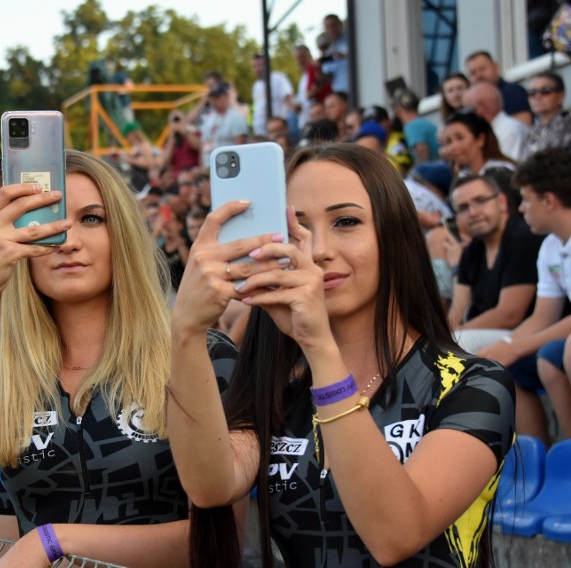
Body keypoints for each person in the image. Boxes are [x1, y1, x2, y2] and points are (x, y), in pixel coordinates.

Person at [168, 143, 515, 567]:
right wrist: (185, 332)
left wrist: (319, 348)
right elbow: (210, 486)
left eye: (346, 221)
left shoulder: (472, 383)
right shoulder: (279, 388)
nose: (318, 251)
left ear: (395, 236)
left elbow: (394, 535)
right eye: (296, 229)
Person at [0, 150, 236, 566]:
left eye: (91, 219)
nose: (67, 241)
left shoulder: (201, 355)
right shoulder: (2, 370)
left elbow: (216, 537)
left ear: (121, 232)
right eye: (47, 223)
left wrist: (53, 541)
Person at [478, 147, 571, 446]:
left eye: (527, 200)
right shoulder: (551, 248)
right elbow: (543, 316)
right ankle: (545, 458)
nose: (521, 209)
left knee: (559, 353)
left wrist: (519, 347)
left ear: (549, 200)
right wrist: (505, 347)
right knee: (515, 362)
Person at [447, 175, 543, 352]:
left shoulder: (523, 238)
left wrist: (452, 334)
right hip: (482, 333)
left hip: (521, 336)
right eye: (463, 208)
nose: (473, 212)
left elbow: (509, 315)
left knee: (458, 343)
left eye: (480, 201)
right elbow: (457, 310)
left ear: (501, 202)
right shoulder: (471, 251)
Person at [463, 82, 529, 161]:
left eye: (468, 110)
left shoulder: (509, 130)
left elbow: (507, 168)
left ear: (481, 107)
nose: (467, 116)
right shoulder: (498, 129)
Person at [464, 50, 532, 126]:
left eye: (482, 69)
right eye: (473, 73)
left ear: (495, 67)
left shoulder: (513, 92)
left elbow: (522, 127)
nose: (478, 75)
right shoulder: (470, 100)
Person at [443, 111, 516, 176]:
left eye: (460, 138)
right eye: (449, 141)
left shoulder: (502, 172)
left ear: (480, 139)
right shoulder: (463, 175)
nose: (453, 147)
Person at [524, 70, 571, 158]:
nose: (537, 96)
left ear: (560, 96)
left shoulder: (568, 125)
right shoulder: (531, 132)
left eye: (545, 91)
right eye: (532, 92)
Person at [200, 82, 248, 167]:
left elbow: (240, 147)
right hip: (210, 163)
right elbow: (203, 144)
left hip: (228, 165)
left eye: (218, 97)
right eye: (212, 97)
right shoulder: (209, 118)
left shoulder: (236, 117)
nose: (214, 101)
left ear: (226, 97)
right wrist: (202, 167)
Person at [250, 53, 294, 138]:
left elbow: (288, 99)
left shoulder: (278, 78)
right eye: (255, 66)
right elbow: (256, 107)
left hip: (276, 131)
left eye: (260, 65)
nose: (257, 69)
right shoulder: (256, 85)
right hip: (260, 132)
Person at [392, 87, 439, 164]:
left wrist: (420, 173)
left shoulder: (412, 126)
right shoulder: (422, 122)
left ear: (397, 109)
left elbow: (421, 150)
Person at [160, 110, 201, 183]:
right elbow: (164, 161)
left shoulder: (194, 134)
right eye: (174, 121)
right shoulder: (170, 141)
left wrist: (184, 132)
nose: (177, 124)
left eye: (178, 120)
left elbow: (199, 147)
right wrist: (172, 139)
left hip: (194, 173)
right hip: (177, 177)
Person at [320, 14, 350, 94]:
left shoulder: (351, 41)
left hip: (354, 90)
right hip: (339, 95)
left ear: (340, 25)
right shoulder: (327, 53)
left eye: (333, 26)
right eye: (328, 27)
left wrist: (343, 55)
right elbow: (327, 78)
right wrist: (318, 68)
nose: (331, 30)